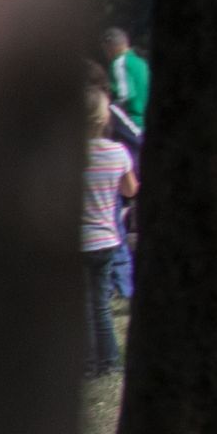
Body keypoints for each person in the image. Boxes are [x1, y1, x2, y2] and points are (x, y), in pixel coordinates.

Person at [83, 76, 137, 376]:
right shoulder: (118, 153)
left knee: (84, 309)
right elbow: (130, 190)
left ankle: (89, 365)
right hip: (107, 240)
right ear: (105, 117)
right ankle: (112, 362)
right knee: (101, 304)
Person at [104, 23, 149, 143]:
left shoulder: (120, 63)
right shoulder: (141, 62)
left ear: (109, 46)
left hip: (132, 125)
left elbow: (124, 95)